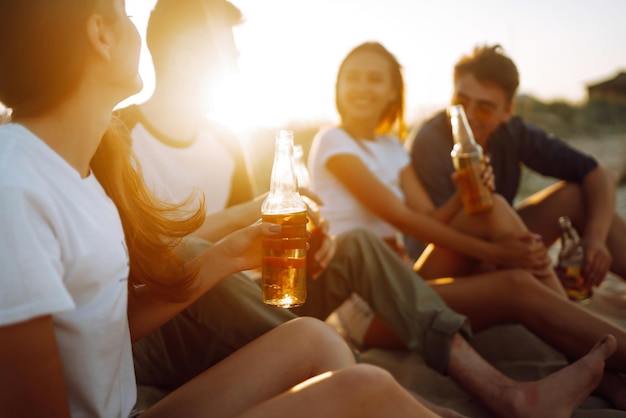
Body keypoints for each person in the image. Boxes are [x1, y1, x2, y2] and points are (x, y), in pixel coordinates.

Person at [117, 1, 626, 414]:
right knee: (214, 254)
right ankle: (367, 373)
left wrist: (311, 246)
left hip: (248, 307)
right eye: (227, 52)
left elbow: (260, 240)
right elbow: (131, 264)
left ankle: (500, 384)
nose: (236, 63)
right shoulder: (118, 140)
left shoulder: (226, 142)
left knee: (358, 242)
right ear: (187, 56)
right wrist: (240, 223)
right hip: (172, 324)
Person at [0, 1, 466, 417]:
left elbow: (106, 320)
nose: (134, 28)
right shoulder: (17, 185)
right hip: (155, 372)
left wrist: (231, 253)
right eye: (124, 12)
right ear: (99, 35)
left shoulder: (79, 172)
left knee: (316, 339)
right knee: (363, 390)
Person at [307, 40, 626, 409]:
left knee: (491, 208)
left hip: (405, 278)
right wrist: (494, 251)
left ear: (394, 90)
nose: (362, 87)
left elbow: (428, 219)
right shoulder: (332, 140)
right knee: (514, 280)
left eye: (375, 79)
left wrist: (466, 190)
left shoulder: (393, 147)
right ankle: (599, 356)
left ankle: (595, 357)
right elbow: (402, 218)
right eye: (353, 78)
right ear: (337, 85)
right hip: (365, 299)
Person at [407, 44, 626, 290]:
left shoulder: (513, 133)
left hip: (501, 244)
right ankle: (557, 301)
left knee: (576, 196)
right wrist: (504, 256)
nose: (469, 114)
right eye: (461, 101)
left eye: (484, 107)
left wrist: (595, 239)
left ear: (507, 111)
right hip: (442, 259)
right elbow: (434, 232)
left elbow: (598, 174)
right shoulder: (429, 141)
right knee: (494, 209)